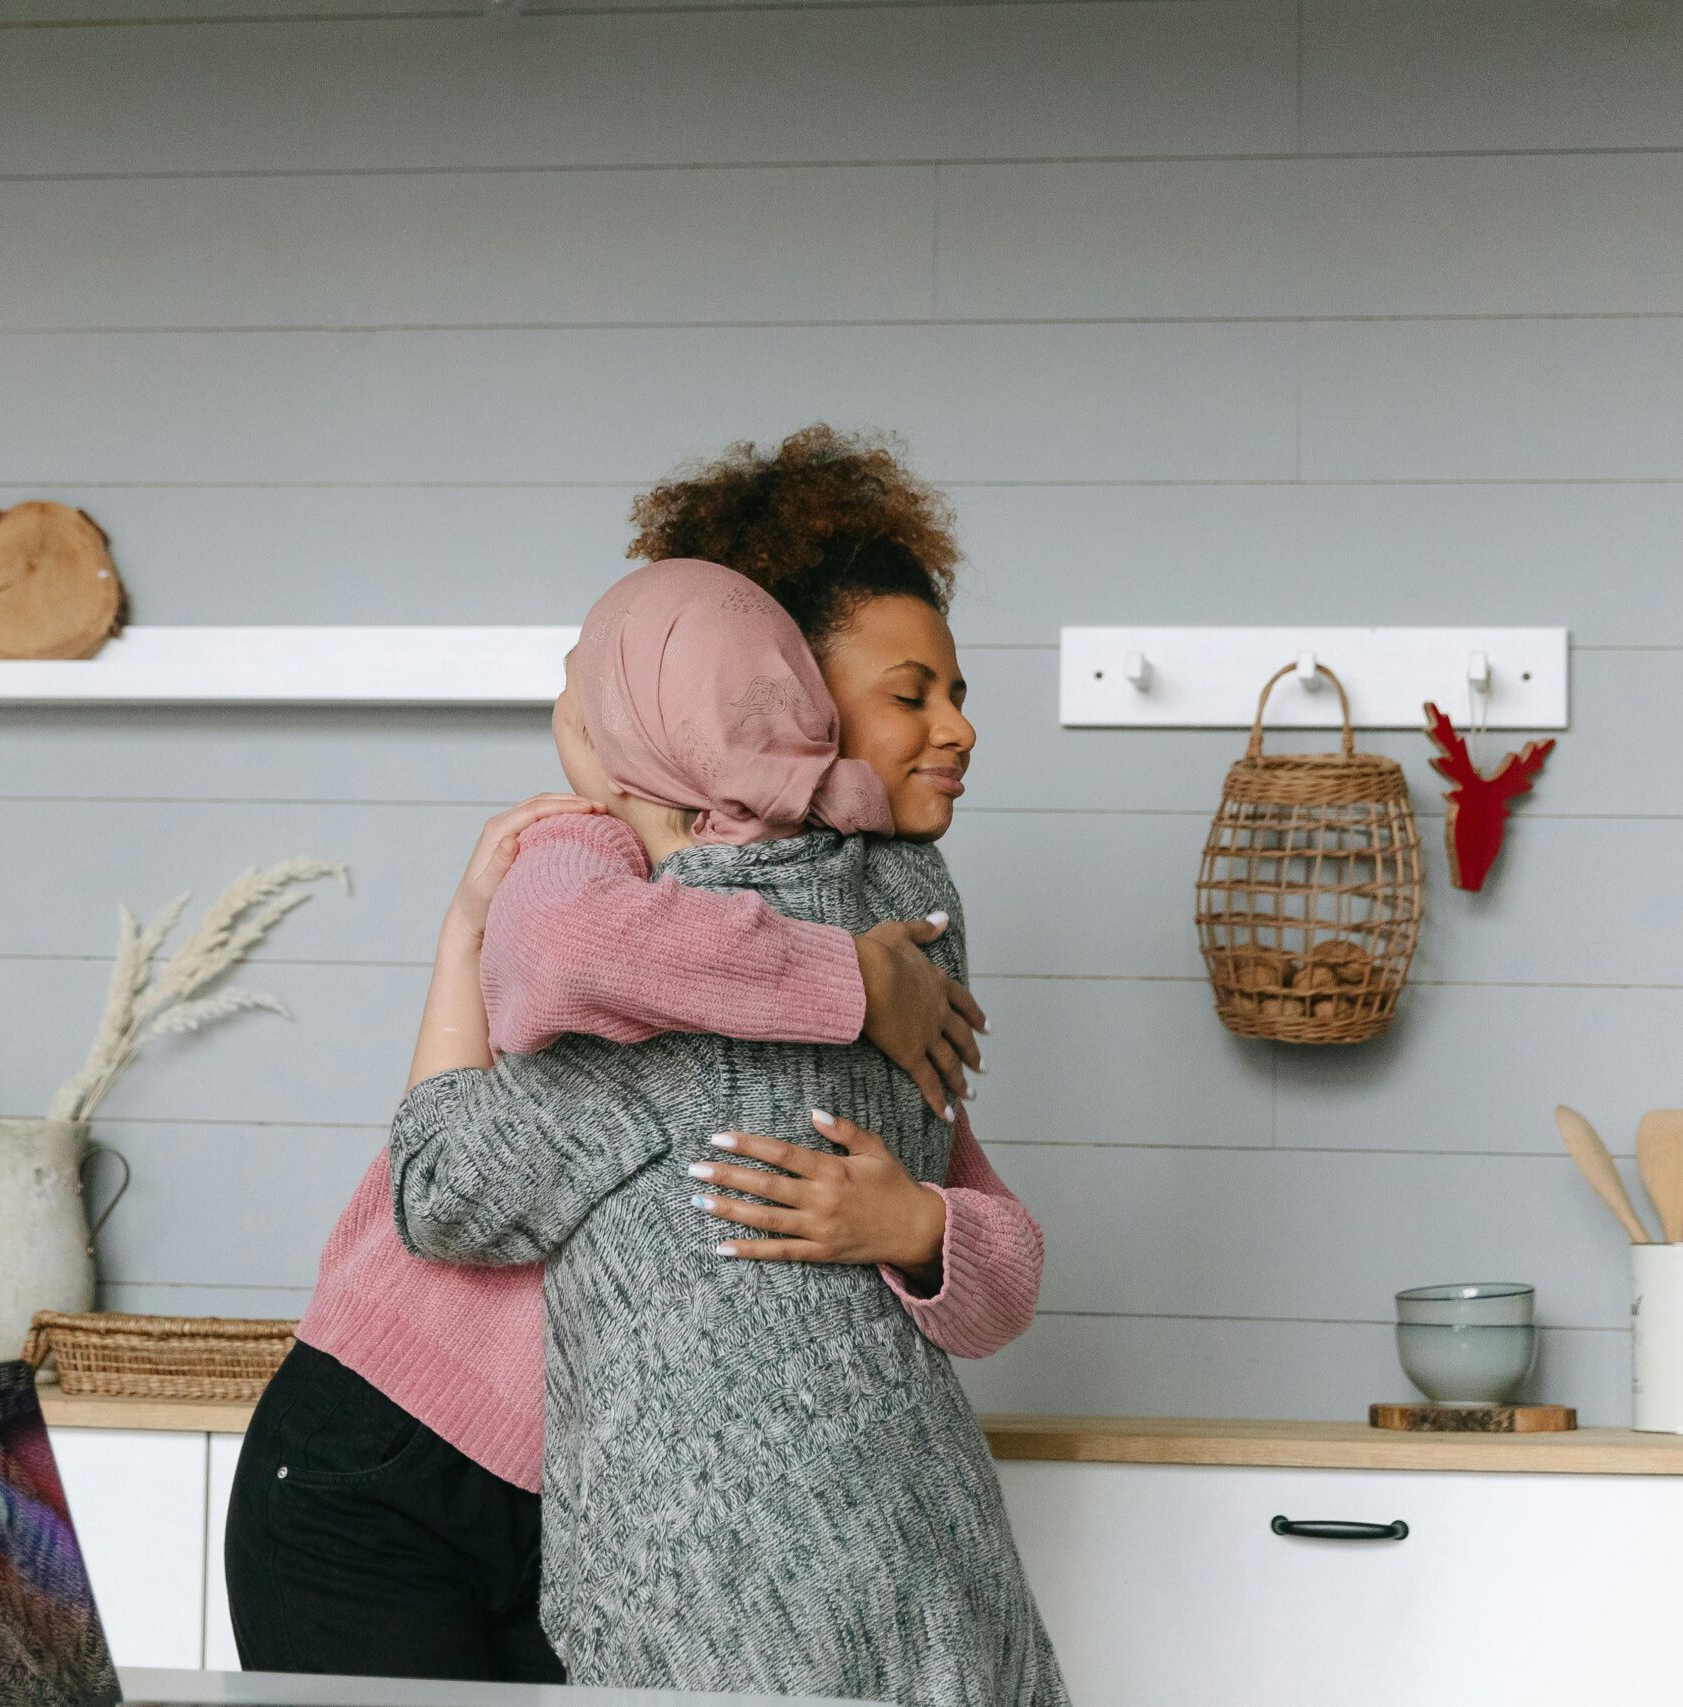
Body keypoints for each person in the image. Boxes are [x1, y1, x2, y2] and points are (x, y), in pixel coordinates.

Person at [226, 426, 1043, 1684]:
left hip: (597, 1507)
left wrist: (916, 1222)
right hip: (397, 1449)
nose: (956, 729)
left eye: (957, 691)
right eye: (907, 692)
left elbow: (989, 1236)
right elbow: (464, 1164)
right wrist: (844, 981)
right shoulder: (607, 858)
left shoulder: (889, 926)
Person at [393, 557, 1067, 1706]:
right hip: (937, 1562)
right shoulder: (906, 928)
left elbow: (443, 1188)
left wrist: (497, 898)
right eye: (912, 696)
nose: (955, 728)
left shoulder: (657, 996)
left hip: (729, 1597)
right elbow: (1004, 1263)